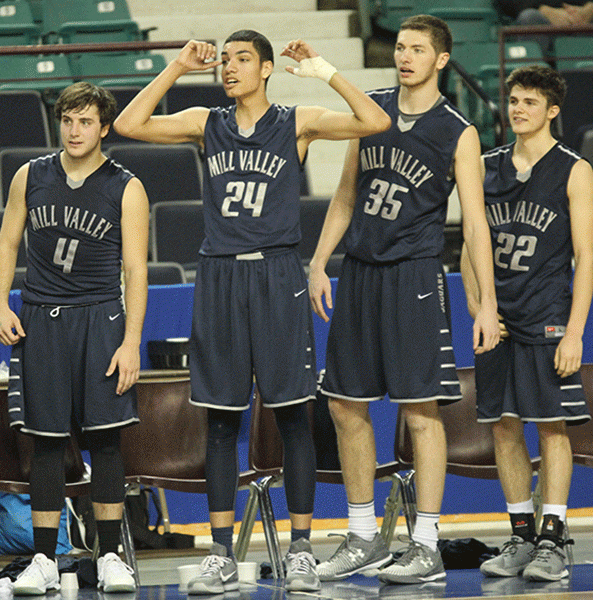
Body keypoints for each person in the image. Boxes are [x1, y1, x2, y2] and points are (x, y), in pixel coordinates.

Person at [114, 31, 391, 594]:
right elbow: (128, 124)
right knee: (220, 419)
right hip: (219, 274)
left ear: (266, 69)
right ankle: (220, 554)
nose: (230, 69)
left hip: (277, 272)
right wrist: (176, 66)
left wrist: (323, 69)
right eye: (228, 60)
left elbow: (375, 122)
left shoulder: (297, 120)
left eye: (244, 60)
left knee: (292, 416)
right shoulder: (205, 121)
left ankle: (302, 551)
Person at [307, 15, 501, 585]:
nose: (404, 56)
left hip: (414, 275)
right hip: (360, 272)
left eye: (417, 49)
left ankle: (426, 544)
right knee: (344, 404)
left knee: (420, 412)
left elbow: (476, 226)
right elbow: (345, 195)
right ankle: (364, 535)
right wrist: (320, 261)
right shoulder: (371, 110)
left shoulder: (457, 130)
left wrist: (485, 301)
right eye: (399, 47)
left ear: (441, 59)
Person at [0, 81, 149, 595]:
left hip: (100, 317)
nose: (75, 130)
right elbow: (6, 243)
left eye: (86, 122)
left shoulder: (126, 186)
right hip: (41, 318)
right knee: (45, 444)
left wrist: (130, 341)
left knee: (104, 440)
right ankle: (41, 558)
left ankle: (109, 556)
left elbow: (136, 270)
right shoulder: (29, 176)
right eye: (68, 120)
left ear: (105, 128)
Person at [463, 65, 593, 582]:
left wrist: (576, 330)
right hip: (497, 317)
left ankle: (553, 540)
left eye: (530, 102)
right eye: (514, 100)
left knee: (552, 426)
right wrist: (480, 309)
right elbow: (469, 251)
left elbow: (585, 258)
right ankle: (521, 534)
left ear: (552, 111)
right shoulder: (484, 165)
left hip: (546, 317)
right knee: (502, 425)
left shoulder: (572, 169)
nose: (518, 109)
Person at [496, 0, 593, 56]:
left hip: (587, 19)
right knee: (529, 17)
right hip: (542, 18)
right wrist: (545, 10)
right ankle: (536, 83)